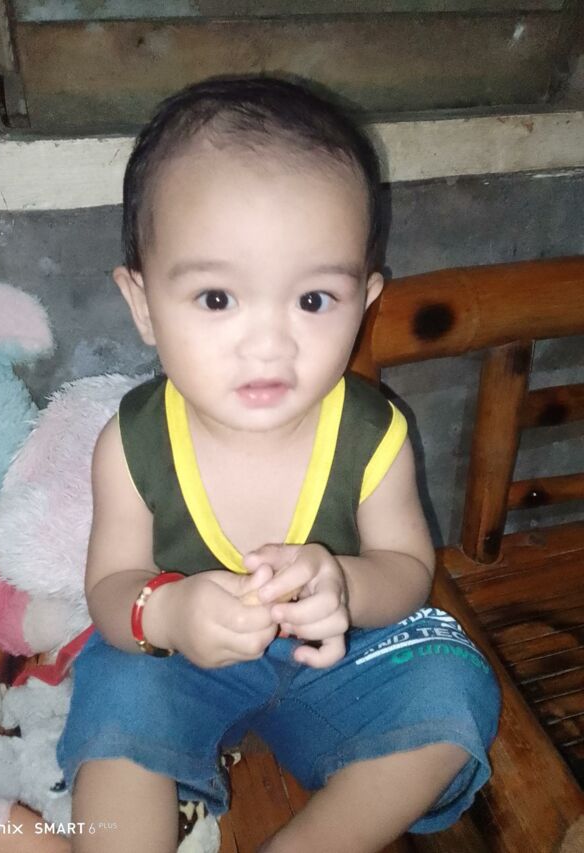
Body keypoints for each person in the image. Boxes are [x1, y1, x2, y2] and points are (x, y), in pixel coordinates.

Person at [56, 74, 501, 853]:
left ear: (364, 300)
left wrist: (345, 585)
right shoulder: (131, 444)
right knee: (117, 686)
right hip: (182, 664)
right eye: (217, 299)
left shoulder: (375, 433)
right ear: (142, 303)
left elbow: (406, 570)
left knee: (454, 684)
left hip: (342, 659)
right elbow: (111, 588)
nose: (269, 344)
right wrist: (170, 613)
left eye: (313, 300)